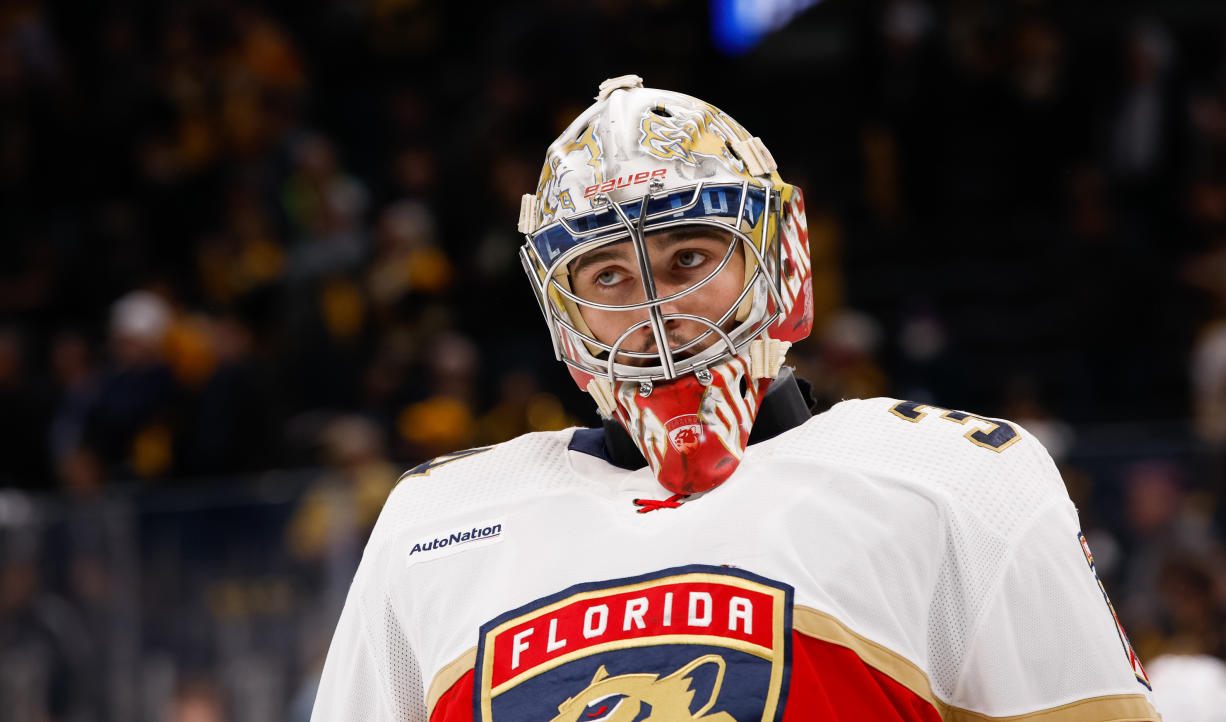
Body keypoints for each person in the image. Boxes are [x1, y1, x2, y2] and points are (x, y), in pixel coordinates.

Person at [311, 76, 1160, 721]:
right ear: (560, 312)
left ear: (779, 259)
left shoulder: (954, 479)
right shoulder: (437, 521)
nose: (654, 309)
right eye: (607, 274)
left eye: (688, 258)